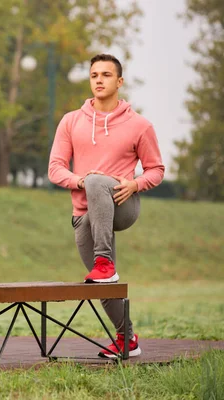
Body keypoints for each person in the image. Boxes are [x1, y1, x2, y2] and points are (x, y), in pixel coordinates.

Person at [48, 54, 164, 358]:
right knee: (102, 286)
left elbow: (156, 169)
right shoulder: (71, 121)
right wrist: (79, 181)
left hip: (123, 204)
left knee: (100, 181)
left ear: (119, 82)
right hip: (83, 213)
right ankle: (128, 339)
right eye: (94, 75)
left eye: (106, 75)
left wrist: (135, 184)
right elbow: (55, 168)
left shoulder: (140, 125)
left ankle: (105, 262)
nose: (99, 80)